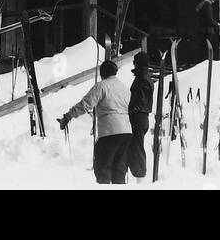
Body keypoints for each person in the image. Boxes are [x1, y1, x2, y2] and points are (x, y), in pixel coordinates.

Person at [59, 59, 132, 184]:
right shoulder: (124, 87)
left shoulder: (102, 86)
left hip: (109, 132)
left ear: (102, 73)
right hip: (126, 133)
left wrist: (68, 116)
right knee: (119, 169)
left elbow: (86, 104)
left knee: (103, 167)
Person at [126, 51, 154, 182]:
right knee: (136, 146)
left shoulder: (142, 79)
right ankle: (138, 175)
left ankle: (139, 177)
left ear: (138, 63)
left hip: (138, 117)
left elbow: (140, 101)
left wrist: (129, 111)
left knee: (137, 147)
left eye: (134, 62)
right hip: (141, 116)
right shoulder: (144, 77)